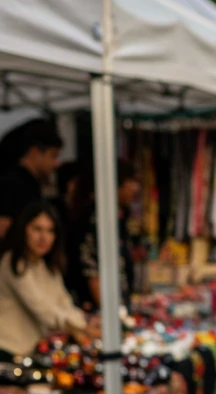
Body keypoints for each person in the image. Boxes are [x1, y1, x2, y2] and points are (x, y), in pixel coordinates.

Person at [0, 201, 90, 360]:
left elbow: (64, 303)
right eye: (37, 229)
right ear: (24, 229)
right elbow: (43, 309)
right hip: (8, 351)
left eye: (50, 231)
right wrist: (83, 328)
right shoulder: (13, 262)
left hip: (30, 352)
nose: (44, 237)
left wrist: (83, 324)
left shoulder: (46, 266)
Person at [68, 160, 141, 310]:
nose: (136, 187)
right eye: (131, 181)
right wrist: (110, 313)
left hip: (117, 306)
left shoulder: (119, 218)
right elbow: (91, 270)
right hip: (99, 310)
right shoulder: (94, 221)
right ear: (115, 183)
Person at [0, 119, 63, 241]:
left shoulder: (24, 182)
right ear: (35, 152)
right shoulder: (14, 183)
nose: (56, 163)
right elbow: (3, 228)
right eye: (53, 155)